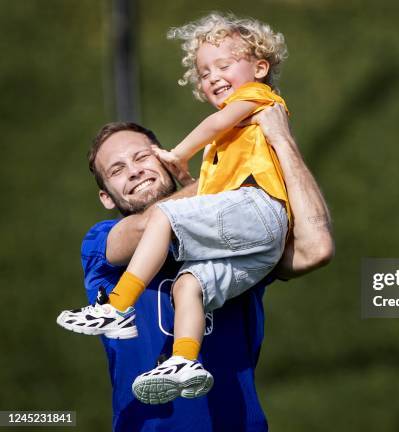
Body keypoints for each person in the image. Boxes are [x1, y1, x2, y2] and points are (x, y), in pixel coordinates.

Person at [58, 13, 297, 404]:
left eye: (224, 64)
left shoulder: (255, 98)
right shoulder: (99, 242)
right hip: (256, 234)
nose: (213, 76)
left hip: (257, 211)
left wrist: (179, 153)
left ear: (260, 68)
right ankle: (184, 360)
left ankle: (118, 305)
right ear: (105, 196)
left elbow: (214, 125)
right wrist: (192, 183)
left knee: (164, 216)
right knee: (189, 285)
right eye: (205, 72)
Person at [68, 105, 333, 431]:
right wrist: (228, 178)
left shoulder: (234, 233)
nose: (134, 171)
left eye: (141, 157)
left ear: (165, 158)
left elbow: (316, 248)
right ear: (106, 197)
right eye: (117, 170)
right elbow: (151, 223)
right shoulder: (100, 244)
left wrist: (282, 142)